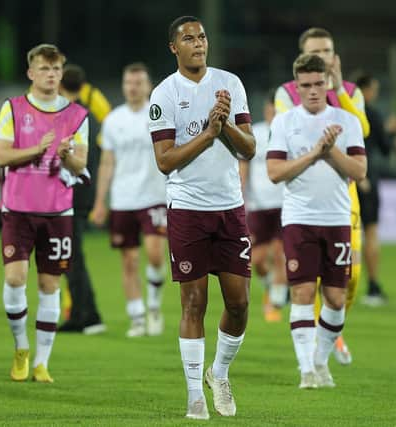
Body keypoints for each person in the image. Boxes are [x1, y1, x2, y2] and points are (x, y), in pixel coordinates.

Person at [149, 16, 255, 420]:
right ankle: (195, 394)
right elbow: (164, 161)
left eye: (202, 36)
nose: (198, 43)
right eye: (188, 39)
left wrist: (223, 124)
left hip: (229, 208)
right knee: (194, 303)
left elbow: (248, 149)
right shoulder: (165, 94)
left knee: (240, 303)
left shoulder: (231, 85)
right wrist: (207, 135)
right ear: (174, 48)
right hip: (188, 210)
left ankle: (219, 373)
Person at [267, 54, 366, 389]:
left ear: (328, 82)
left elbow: (360, 171)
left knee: (336, 299)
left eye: (318, 84)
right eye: (305, 85)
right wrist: (314, 153)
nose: (312, 91)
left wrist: (330, 151)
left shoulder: (346, 121)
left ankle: (321, 361)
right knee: (303, 293)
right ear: (296, 87)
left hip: (337, 218)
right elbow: (274, 172)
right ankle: (306, 369)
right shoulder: (284, 122)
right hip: (299, 218)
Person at [0, 44, 89, 383]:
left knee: (50, 284)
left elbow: (82, 164)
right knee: (15, 278)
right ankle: (21, 348)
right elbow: (1, 156)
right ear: (31, 73)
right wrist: (39, 148)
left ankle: (42, 363)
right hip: (18, 209)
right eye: (44, 69)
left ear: (61, 74)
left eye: (56, 69)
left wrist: (66, 155)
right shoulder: (13, 109)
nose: (51, 75)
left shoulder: (77, 115)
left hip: (57, 211)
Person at [91, 62, 168, 338]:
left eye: (138, 83)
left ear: (148, 86)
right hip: (123, 199)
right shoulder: (113, 120)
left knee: (156, 255)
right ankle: (137, 316)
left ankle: (155, 305)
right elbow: (107, 163)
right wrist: (101, 201)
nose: (133, 88)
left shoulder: (158, 114)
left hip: (154, 195)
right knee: (129, 260)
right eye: (128, 83)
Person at [57, 64, 105, 335]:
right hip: (83, 191)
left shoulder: (70, 116)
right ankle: (81, 313)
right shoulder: (90, 115)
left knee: (71, 255)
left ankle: (88, 315)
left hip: (72, 193)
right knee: (70, 254)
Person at [239, 90, 286, 322]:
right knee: (256, 260)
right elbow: (244, 167)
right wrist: (241, 195)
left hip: (284, 202)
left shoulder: (288, 132)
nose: (273, 114)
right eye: (270, 109)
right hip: (258, 205)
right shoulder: (255, 133)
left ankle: (276, 302)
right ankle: (272, 288)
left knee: (279, 252)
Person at [353, 73, 395, 306]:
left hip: (344, 178)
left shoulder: (338, 111)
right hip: (367, 177)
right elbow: (386, 148)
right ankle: (372, 286)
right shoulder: (371, 113)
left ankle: (337, 284)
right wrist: (390, 131)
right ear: (365, 90)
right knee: (370, 232)